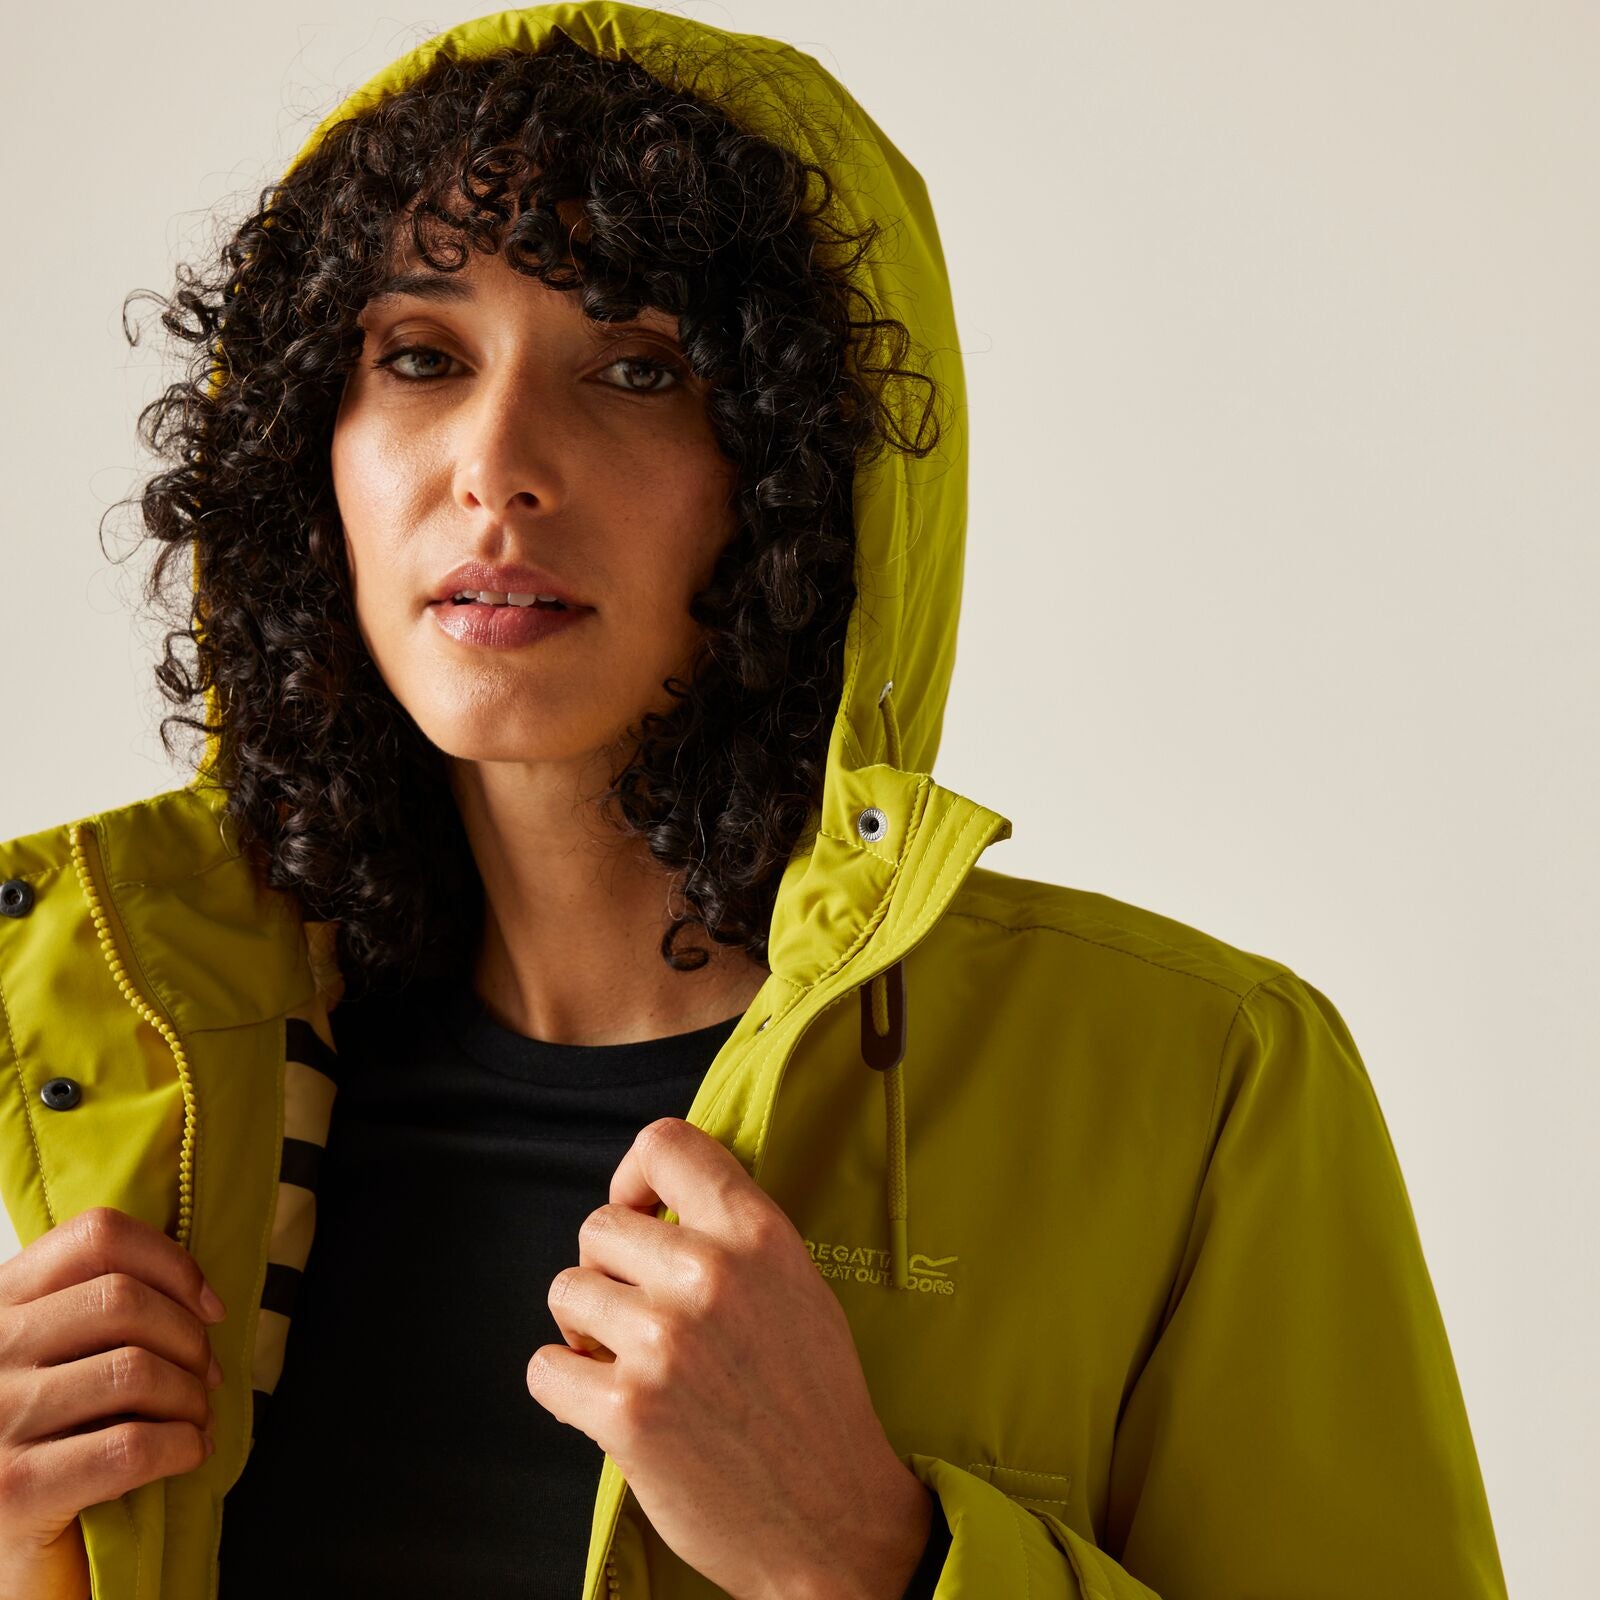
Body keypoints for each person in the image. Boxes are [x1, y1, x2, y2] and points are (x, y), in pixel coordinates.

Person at [0, 4, 1510, 1598]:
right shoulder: (157, 1070)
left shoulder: (1204, 1086)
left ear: (802, 472)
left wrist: (869, 1553)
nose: (497, 465)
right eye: (422, 359)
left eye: (637, 368)